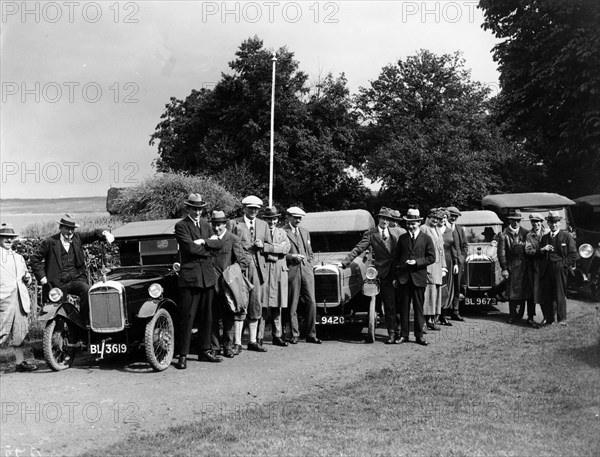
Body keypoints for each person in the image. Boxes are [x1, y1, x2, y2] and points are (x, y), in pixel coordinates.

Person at [30, 214, 114, 323]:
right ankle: (60, 333)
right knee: (59, 310)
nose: (70, 232)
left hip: (76, 280)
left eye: (72, 229)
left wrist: (105, 232)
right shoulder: (50, 242)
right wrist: (42, 278)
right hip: (57, 282)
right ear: (60, 228)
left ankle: (84, 323)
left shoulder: (77, 238)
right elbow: (34, 259)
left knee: (87, 290)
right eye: (67, 228)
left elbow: (93, 234)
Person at [341, 207, 405, 343]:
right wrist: (345, 263)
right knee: (389, 304)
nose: (385, 221)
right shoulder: (371, 234)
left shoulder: (398, 233)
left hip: (399, 272)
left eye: (388, 219)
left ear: (390, 221)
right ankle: (392, 333)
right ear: (379, 219)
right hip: (384, 273)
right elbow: (358, 248)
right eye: (383, 218)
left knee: (401, 303)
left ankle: (401, 333)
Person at [174, 194, 224, 369]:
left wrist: (203, 242)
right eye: (194, 208)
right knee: (187, 317)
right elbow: (189, 248)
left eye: (200, 209)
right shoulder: (181, 226)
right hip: (190, 279)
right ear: (188, 208)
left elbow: (220, 245)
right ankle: (183, 355)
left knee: (207, 317)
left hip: (207, 278)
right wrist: (208, 246)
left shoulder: (205, 225)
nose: (197, 212)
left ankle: (205, 350)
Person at [228, 195, 269, 352]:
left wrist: (262, 245)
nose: (254, 211)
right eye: (251, 208)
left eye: (256, 209)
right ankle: (237, 342)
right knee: (240, 303)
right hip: (240, 269)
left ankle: (252, 341)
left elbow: (269, 244)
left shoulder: (263, 225)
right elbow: (228, 243)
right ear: (244, 208)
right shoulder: (234, 223)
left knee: (255, 304)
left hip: (258, 270)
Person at [209, 210, 249, 358]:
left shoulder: (233, 239)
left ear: (225, 224)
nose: (216, 228)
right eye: (214, 225)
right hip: (211, 286)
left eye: (219, 225)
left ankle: (228, 346)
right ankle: (214, 347)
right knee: (213, 318)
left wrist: (231, 274)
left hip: (228, 287)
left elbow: (243, 262)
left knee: (229, 317)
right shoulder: (208, 240)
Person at [394, 208, 436, 346]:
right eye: (408, 224)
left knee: (418, 308)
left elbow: (431, 258)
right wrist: (396, 276)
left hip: (418, 278)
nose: (411, 226)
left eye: (413, 223)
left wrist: (417, 262)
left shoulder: (426, 239)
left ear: (419, 222)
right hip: (404, 278)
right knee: (403, 308)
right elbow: (396, 258)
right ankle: (403, 335)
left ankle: (420, 336)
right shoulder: (402, 238)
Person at [0, 224, 37, 372]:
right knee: (2, 331)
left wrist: (27, 277)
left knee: (19, 332)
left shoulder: (19, 257)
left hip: (20, 299)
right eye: (5, 238)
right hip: (4, 298)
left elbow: (25, 274)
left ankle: (20, 363)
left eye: (11, 238)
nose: (8, 240)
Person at [284, 206, 322, 344]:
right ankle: (295, 334)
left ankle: (311, 334)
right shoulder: (283, 232)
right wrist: (292, 257)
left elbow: (310, 252)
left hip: (306, 271)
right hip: (292, 270)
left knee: (311, 302)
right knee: (292, 304)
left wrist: (309, 263)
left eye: (300, 218)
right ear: (289, 217)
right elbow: (281, 253)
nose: (298, 220)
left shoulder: (305, 232)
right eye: (295, 217)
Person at [258, 207, 291, 347]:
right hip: (265, 271)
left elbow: (285, 249)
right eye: (269, 219)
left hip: (279, 272)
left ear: (277, 219)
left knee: (278, 305)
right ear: (265, 220)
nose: (271, 221)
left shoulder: (282, 233)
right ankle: (258, 337)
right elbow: (258, 248)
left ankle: (277, 336)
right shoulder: (260, 232)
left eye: (274, 218)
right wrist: (276, 250)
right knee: (262, 306)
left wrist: (267, 248)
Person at [539, 211, 578, 326]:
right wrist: (543, 249)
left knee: (559, 295)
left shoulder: (566, 236)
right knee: (547, 295)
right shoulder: (545, 238)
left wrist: (562, 264)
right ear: (548, 223)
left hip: (559, 269)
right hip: (547, 270)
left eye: (556, 222)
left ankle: (562, 320)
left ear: (559, 223)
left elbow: (574, 255)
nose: (553, 225)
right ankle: (549, 320)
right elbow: (540, 255)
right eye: (551, 222)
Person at [498, 210, 534, 324]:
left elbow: (531, 249)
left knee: (529, 292)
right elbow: (501, 253)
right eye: (514, 220)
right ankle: (513, 315)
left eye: (518, 220)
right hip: (512, 267)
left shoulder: (526, 233)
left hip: (526, 266)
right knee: (513, 293)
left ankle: (530, 317)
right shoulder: (504, 235)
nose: (516, 223)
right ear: (510, 220)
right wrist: (504, 268)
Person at [420, 209, 447, 331]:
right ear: (428, 218)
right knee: (427, 295)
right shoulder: (423, 229)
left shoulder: (437, 230)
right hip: (428, 267)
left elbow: (441, 250)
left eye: (438, 219)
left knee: (435, 294)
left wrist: (444, 266)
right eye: (433, 218)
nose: (436, 221)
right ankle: (423, 322)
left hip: (437, 267)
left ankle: (431, 320)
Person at [524, 213, 547, 327]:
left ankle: (547, 316)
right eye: (533, 222)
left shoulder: (547, 233)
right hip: (533, 266)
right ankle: (530, 317)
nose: (536, 224)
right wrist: (540, 251)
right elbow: (528, 250)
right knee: (532, 292)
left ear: (541, 222)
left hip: (546, 266)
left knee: (545, 291)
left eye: (538, 222)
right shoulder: (529, 235)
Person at [446, 206, 467, 321]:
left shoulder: (459, 229)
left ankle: (455, 311)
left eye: (455, 216)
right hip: (447, 262)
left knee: (457, 286)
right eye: (452, 215)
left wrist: (462, 258)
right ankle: (442, 313)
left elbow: (464, 245)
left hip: (458, 263)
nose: (453, 218)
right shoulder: (442, 228)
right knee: (445, 286)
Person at [439, 209, 459, 326]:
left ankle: (443, 314)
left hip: (448, 262)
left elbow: (454, 248)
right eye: (440, 218)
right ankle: (433, 315)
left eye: (444, 218)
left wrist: (456, 262)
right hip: (436, 263)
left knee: (446, 289)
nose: (442, 220)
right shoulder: (433, 231)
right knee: (437, 288)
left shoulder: (450, 231)